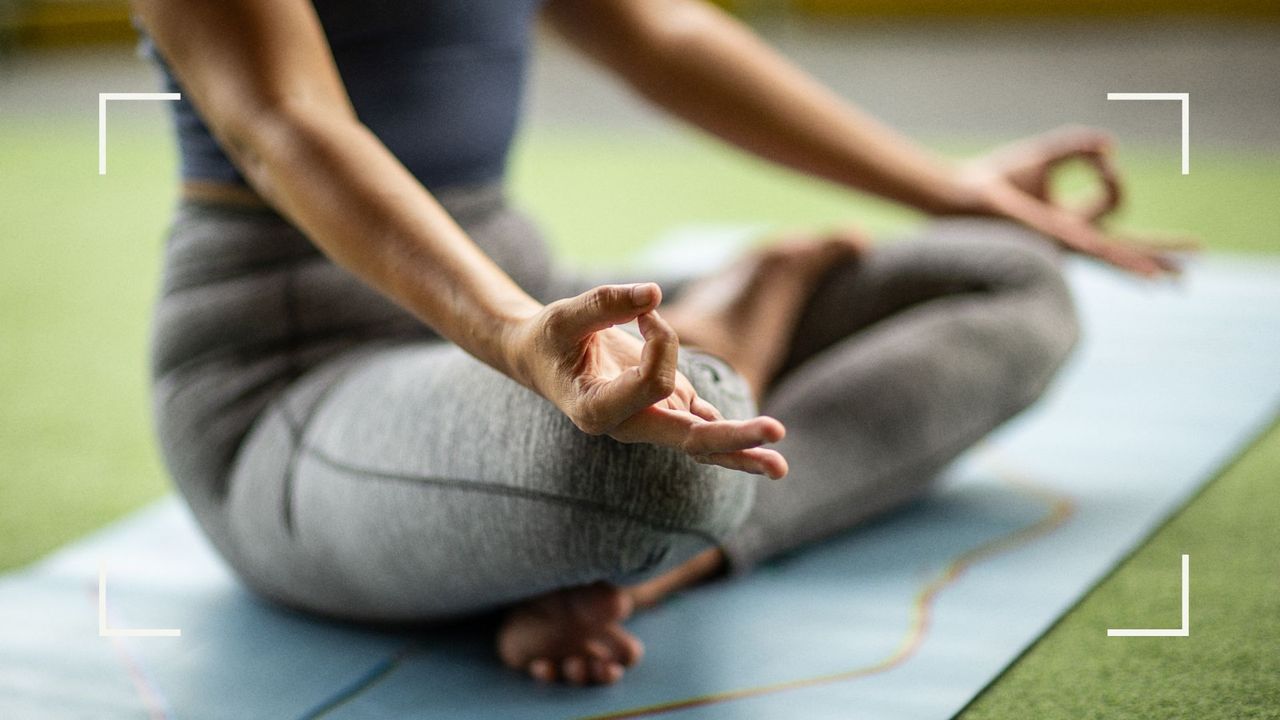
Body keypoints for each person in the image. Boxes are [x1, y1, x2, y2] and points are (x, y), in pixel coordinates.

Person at [134, 0, 1178, 687]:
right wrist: (510, 336)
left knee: (1008, 282)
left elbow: (660, 35)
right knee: (653, 474)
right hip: (296, 379)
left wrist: (953, 190)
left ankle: (639, 571)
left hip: (520, 300)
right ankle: (737, 325)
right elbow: (284, 122)